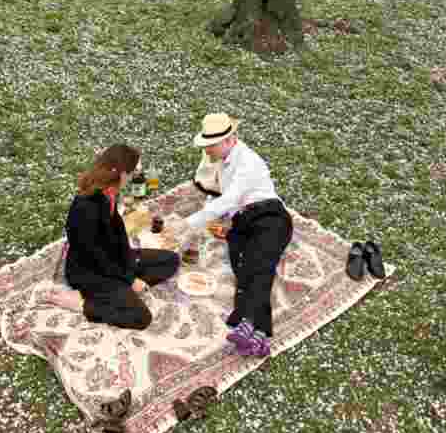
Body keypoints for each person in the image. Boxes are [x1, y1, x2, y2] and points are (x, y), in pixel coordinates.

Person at [166, 114, 293, 357]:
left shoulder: (248, 162)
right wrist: (221, 217)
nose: (207, 150)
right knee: (243, 267)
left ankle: (251, 326)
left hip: (269, 217)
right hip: (242, 222)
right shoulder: (224, 160)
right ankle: (257, 336)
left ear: (230, 140)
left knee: (260, 265)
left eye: (210, 145)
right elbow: (222, 196)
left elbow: (231, 198)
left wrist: (188, 223)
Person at [42, 144, 179, 329]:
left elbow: (117, 235)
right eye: (132, 172)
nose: (133, 177)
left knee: (170, 260)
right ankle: (82, 302)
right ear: (122, 173)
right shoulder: (85, 206)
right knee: (140, 317)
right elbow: (93, 256)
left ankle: (123, 290)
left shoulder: (109, 192)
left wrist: (129, 266)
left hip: (114, 259)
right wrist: (129, 278)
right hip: (91, 271)